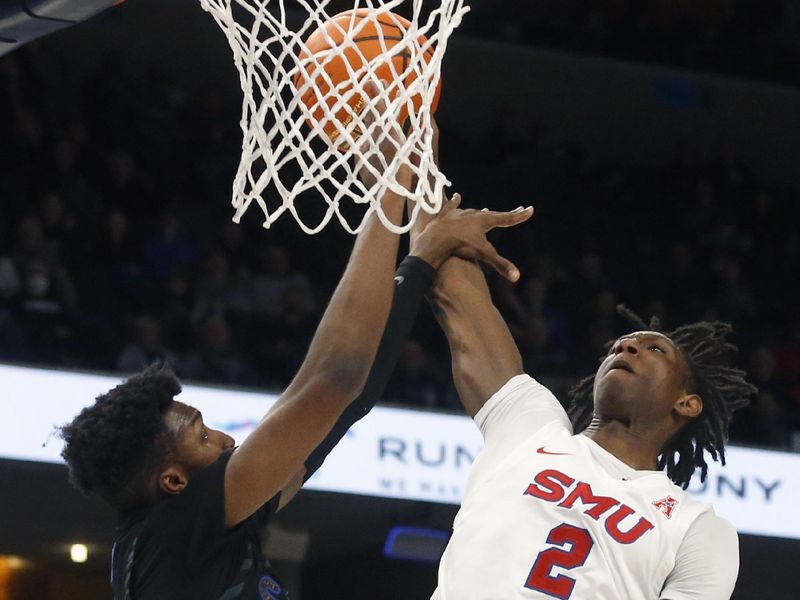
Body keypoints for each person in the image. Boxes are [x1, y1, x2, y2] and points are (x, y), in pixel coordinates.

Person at [58, 98, 534, 597]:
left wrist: (421, 258)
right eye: (200, 437)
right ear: (173, 482)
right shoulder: (174, 537)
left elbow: (344, 403)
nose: (225, 439)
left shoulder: (186, 536)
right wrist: (390, 187)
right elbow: (334, 377)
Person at [423, 220, 756, 598]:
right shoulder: (532, 426)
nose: (625, 347)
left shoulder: (694, 527)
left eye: (654, 349)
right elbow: (462, 309)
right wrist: (417, 185)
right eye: (620, 344)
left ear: (687, 403)